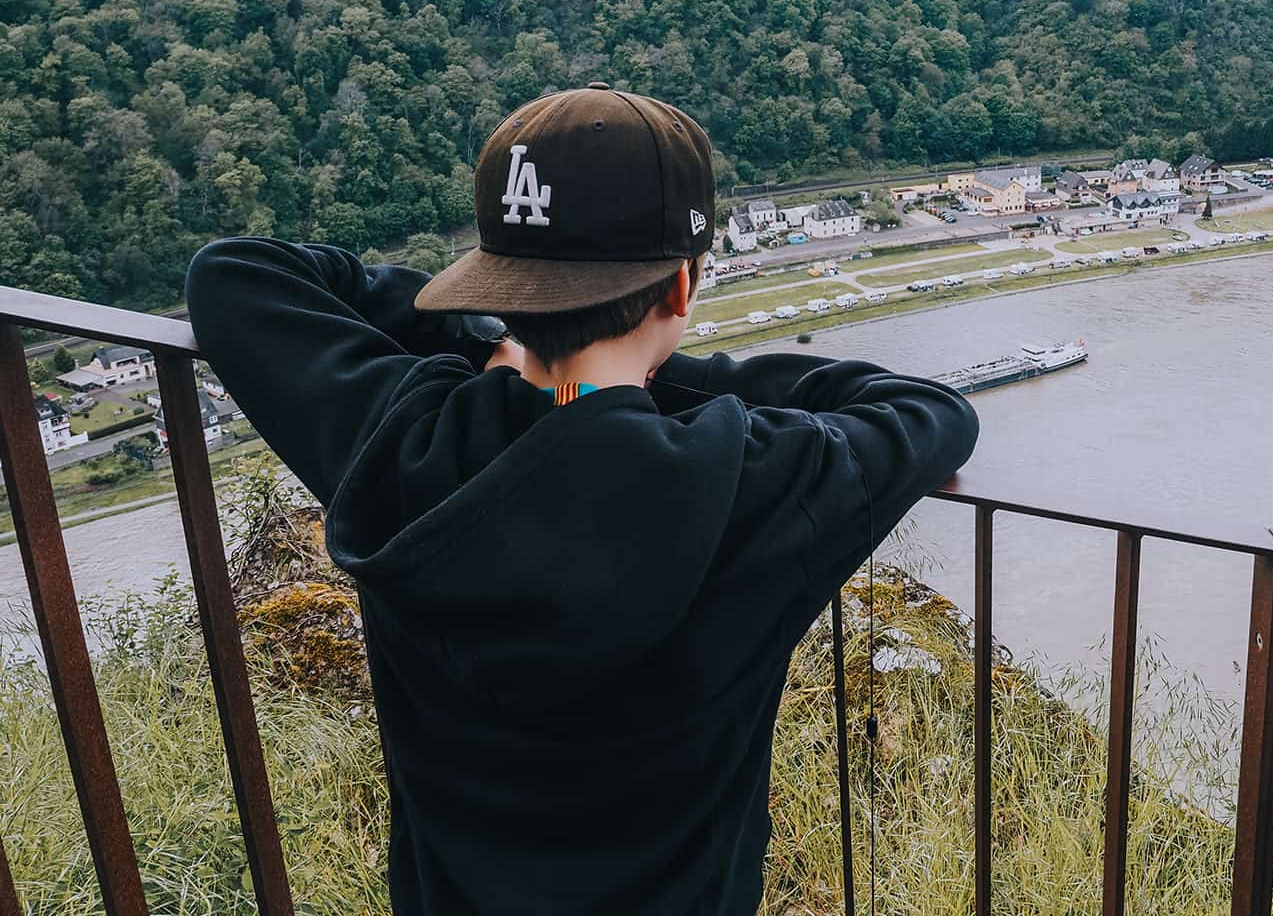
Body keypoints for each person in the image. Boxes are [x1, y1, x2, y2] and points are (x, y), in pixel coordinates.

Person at [185, 83, 980, 915]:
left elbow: (237, 273)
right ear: (682, 286)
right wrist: (659, 383)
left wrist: (491, 342)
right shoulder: (752, 479)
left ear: (498, 286)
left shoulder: (405, 438)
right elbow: (930, 413)